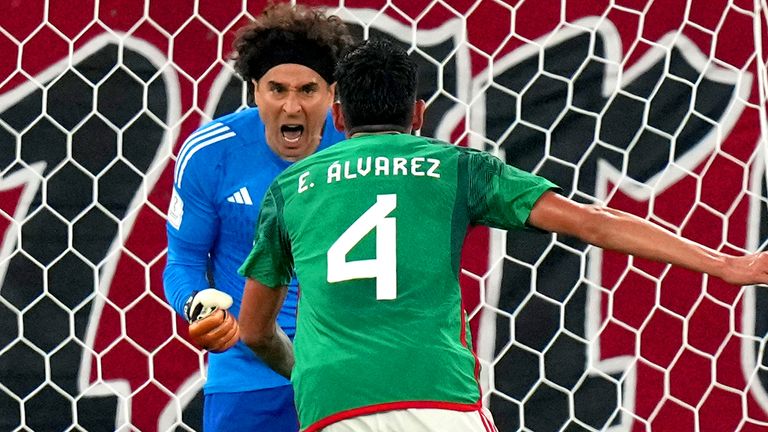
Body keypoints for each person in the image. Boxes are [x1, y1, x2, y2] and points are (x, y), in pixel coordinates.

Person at [236, 39, 768, 432]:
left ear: (338, 113)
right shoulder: (457, 167)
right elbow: (593, 222)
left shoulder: (290, 188)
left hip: (332, 407)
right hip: (437, 398)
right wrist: (726, 265)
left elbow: (255, 329)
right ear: (419, 114)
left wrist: (306, 370)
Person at [162, 2, 352, 430]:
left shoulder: (358, 151)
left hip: (343, 371)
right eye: (277, 89)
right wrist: (197, 308)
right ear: (253, 89)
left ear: (332, 91)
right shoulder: (210, 153)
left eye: (308, 90)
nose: (291, 107)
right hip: (245, 378)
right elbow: (183, 261)